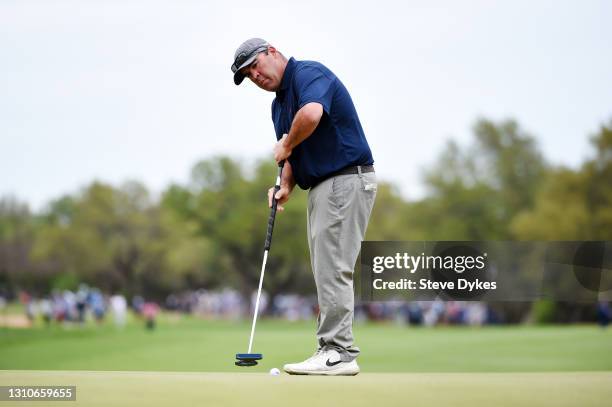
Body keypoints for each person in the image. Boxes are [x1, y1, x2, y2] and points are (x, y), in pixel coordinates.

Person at [231, 38, 377, 375]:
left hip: (346, 177)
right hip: (325, 186)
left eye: (255, 66)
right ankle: (331, 349)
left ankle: (339, 352)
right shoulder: (278, 106)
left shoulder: (308, 74)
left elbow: (311, 115)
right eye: (247, 75)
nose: (254, 76)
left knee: (333, 266)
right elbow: (292, 154)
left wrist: (285, 143)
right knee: (326, 266)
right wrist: (284, 187)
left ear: (272, 52)